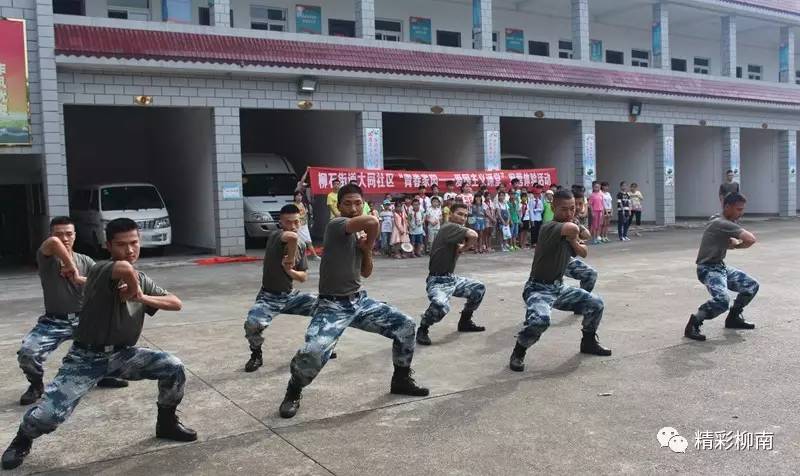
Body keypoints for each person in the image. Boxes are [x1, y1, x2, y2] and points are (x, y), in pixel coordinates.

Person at [2, 218, 195, 470]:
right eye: (121, 244)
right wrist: (133, 286)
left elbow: (176, 302)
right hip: (86, 359)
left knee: (173, 367)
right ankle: (22, 439)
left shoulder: (141, 278)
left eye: (134, 243)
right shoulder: (101, 269)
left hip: (123, 356)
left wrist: (140, 295)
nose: (129, 250)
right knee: (49, 416)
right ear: (108, 246)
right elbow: (124, 269)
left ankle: (166, 423)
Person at [277, 184, 429, 419]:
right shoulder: (337, 224)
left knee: (406, 326)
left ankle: (401, 379)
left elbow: (366, 272)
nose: (353, 207)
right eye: (347, 203)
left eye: (358, 203)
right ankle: (293, 390)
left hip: (358, 302)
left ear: (364, 204)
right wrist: (370, 240)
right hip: (331, 306)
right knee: (314, 352)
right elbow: (374, 223)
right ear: (338, 206)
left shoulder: (358, 233)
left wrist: (366, 249)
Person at [15, 217, 126, 407]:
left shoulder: (86, 260)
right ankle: (36, 385)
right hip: (54, 321)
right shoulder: (47, 257)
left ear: (75, 236)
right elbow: (53, 244)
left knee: (115, 341)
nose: (64, 238)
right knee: (28, 353)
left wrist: (80, 277)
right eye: (59, 233)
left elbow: (102, 281)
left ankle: (102, 374)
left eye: (69, 234)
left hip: (85, 319)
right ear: (51, 235)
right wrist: (69, 264)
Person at [508, 190, 612, 373]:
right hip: (537, 288)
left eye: (573, 208)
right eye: (564, 209)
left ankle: (588, 341)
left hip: (558, 287)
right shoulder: (550, 227)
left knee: (596, 303)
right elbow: (577, 232)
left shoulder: (569, 228)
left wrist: (575, 240)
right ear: (553, 207)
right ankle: (519, 351)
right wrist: (576, 235)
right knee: (541, 320)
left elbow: (584, 247)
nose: (570, 213)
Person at [243, 204, 320, 372]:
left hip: (290, 296)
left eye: (296, 222)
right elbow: (291, 237)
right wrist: (290, 258)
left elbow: (303, 277)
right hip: (269, 297)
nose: (293, 226)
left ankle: (319, 346)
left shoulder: (302, 245)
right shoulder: (276, 236)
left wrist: (289, 270)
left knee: (326, 306)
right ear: (281, 222)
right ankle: (256, 354)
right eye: (288, 222)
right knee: (252, 323)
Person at [685, 193, 759, 341]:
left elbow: (726, 239)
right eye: (738, 209)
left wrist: (730, 242)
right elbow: (750, 239)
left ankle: (733, 318)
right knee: (722, 300)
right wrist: (738, 245)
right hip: (707, 269)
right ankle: (694, 323)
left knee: (751, 286)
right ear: (727, 206)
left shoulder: (717, 219)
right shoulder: (722, 223)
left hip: (720, 267)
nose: (741, 213)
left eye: (742, 209)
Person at [416, 203, 486, 345]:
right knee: (441, 305)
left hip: (450, 278)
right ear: (450, 214)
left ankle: (465, 321)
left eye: (465, 216)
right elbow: (474, 235)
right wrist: (464, 248)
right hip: (437, 280)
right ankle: (423, 329)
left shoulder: (455, 231)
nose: (463, 218)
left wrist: (460, 249)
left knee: (478, 288)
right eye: (459, 214)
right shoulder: (449, 227)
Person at [564, 191, 599, 298]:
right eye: (576, 205)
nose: (578, 208)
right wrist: (577, 241)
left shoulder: (575, 220)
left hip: (565, 258)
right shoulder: (564, 221)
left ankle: (581, 303)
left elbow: (587, 235)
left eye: (581, 204)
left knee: (590, 274)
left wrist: (578, 236)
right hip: (554, 261)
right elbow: (583, 252)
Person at [293, 191, 319, 260]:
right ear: (294, 197)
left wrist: (308, 223)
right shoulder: (293, 206)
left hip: (304, 226)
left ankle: (314, 256)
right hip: (298, 226)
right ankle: (300, 257)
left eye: (300, 196)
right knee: (299, 242)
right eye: (297, 196)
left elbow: (307, 214)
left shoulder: (303, 204)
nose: (299, 197)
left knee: (308, 241)